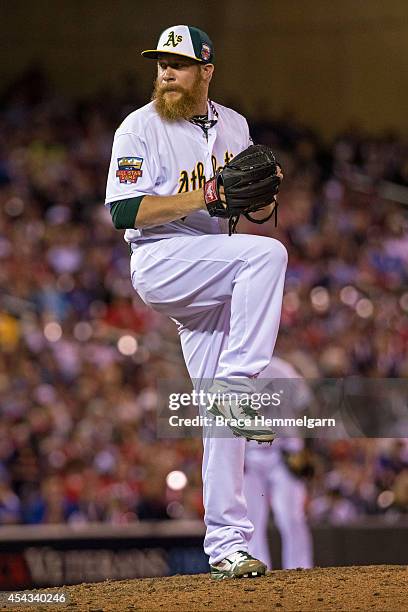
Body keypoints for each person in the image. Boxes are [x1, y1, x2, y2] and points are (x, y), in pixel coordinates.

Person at [105, 25, 288, 579]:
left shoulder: (234, 125)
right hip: (161, 259)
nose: (166, 72)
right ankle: (240, 384)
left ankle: (227, 546)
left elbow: (234, 204)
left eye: (179, 64)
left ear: (206, 72)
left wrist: (263, 193)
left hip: (210, 265)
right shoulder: (138, 127)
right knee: (267, 257)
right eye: (161, 63)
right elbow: (122, 213)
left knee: (217, 416)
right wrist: (205, 195)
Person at [244, 357, 314, 570]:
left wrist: (307, 447)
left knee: (291, 516)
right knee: (251, 520)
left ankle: (300, 569)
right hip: (250, 455)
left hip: (283, 454)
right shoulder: (234, 370)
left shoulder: (282, 369)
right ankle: (258, 571)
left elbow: (307, 406)